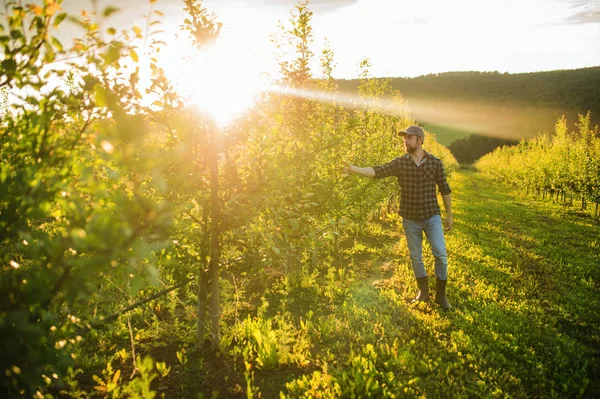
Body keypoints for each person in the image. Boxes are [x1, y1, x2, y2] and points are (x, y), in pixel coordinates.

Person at [345, 125, 453, 310]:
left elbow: (445, 189)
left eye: (409, 138)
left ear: (419, 140)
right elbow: (377, 171)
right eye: (404, 138)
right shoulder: (400, 163)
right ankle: (423, 292)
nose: (405, 141)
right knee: (416, 257)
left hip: (431, 216)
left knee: (440, 254)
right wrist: (354, 169)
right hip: (410, 218)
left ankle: (441, 296)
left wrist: (449, 215)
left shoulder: (435, 163)